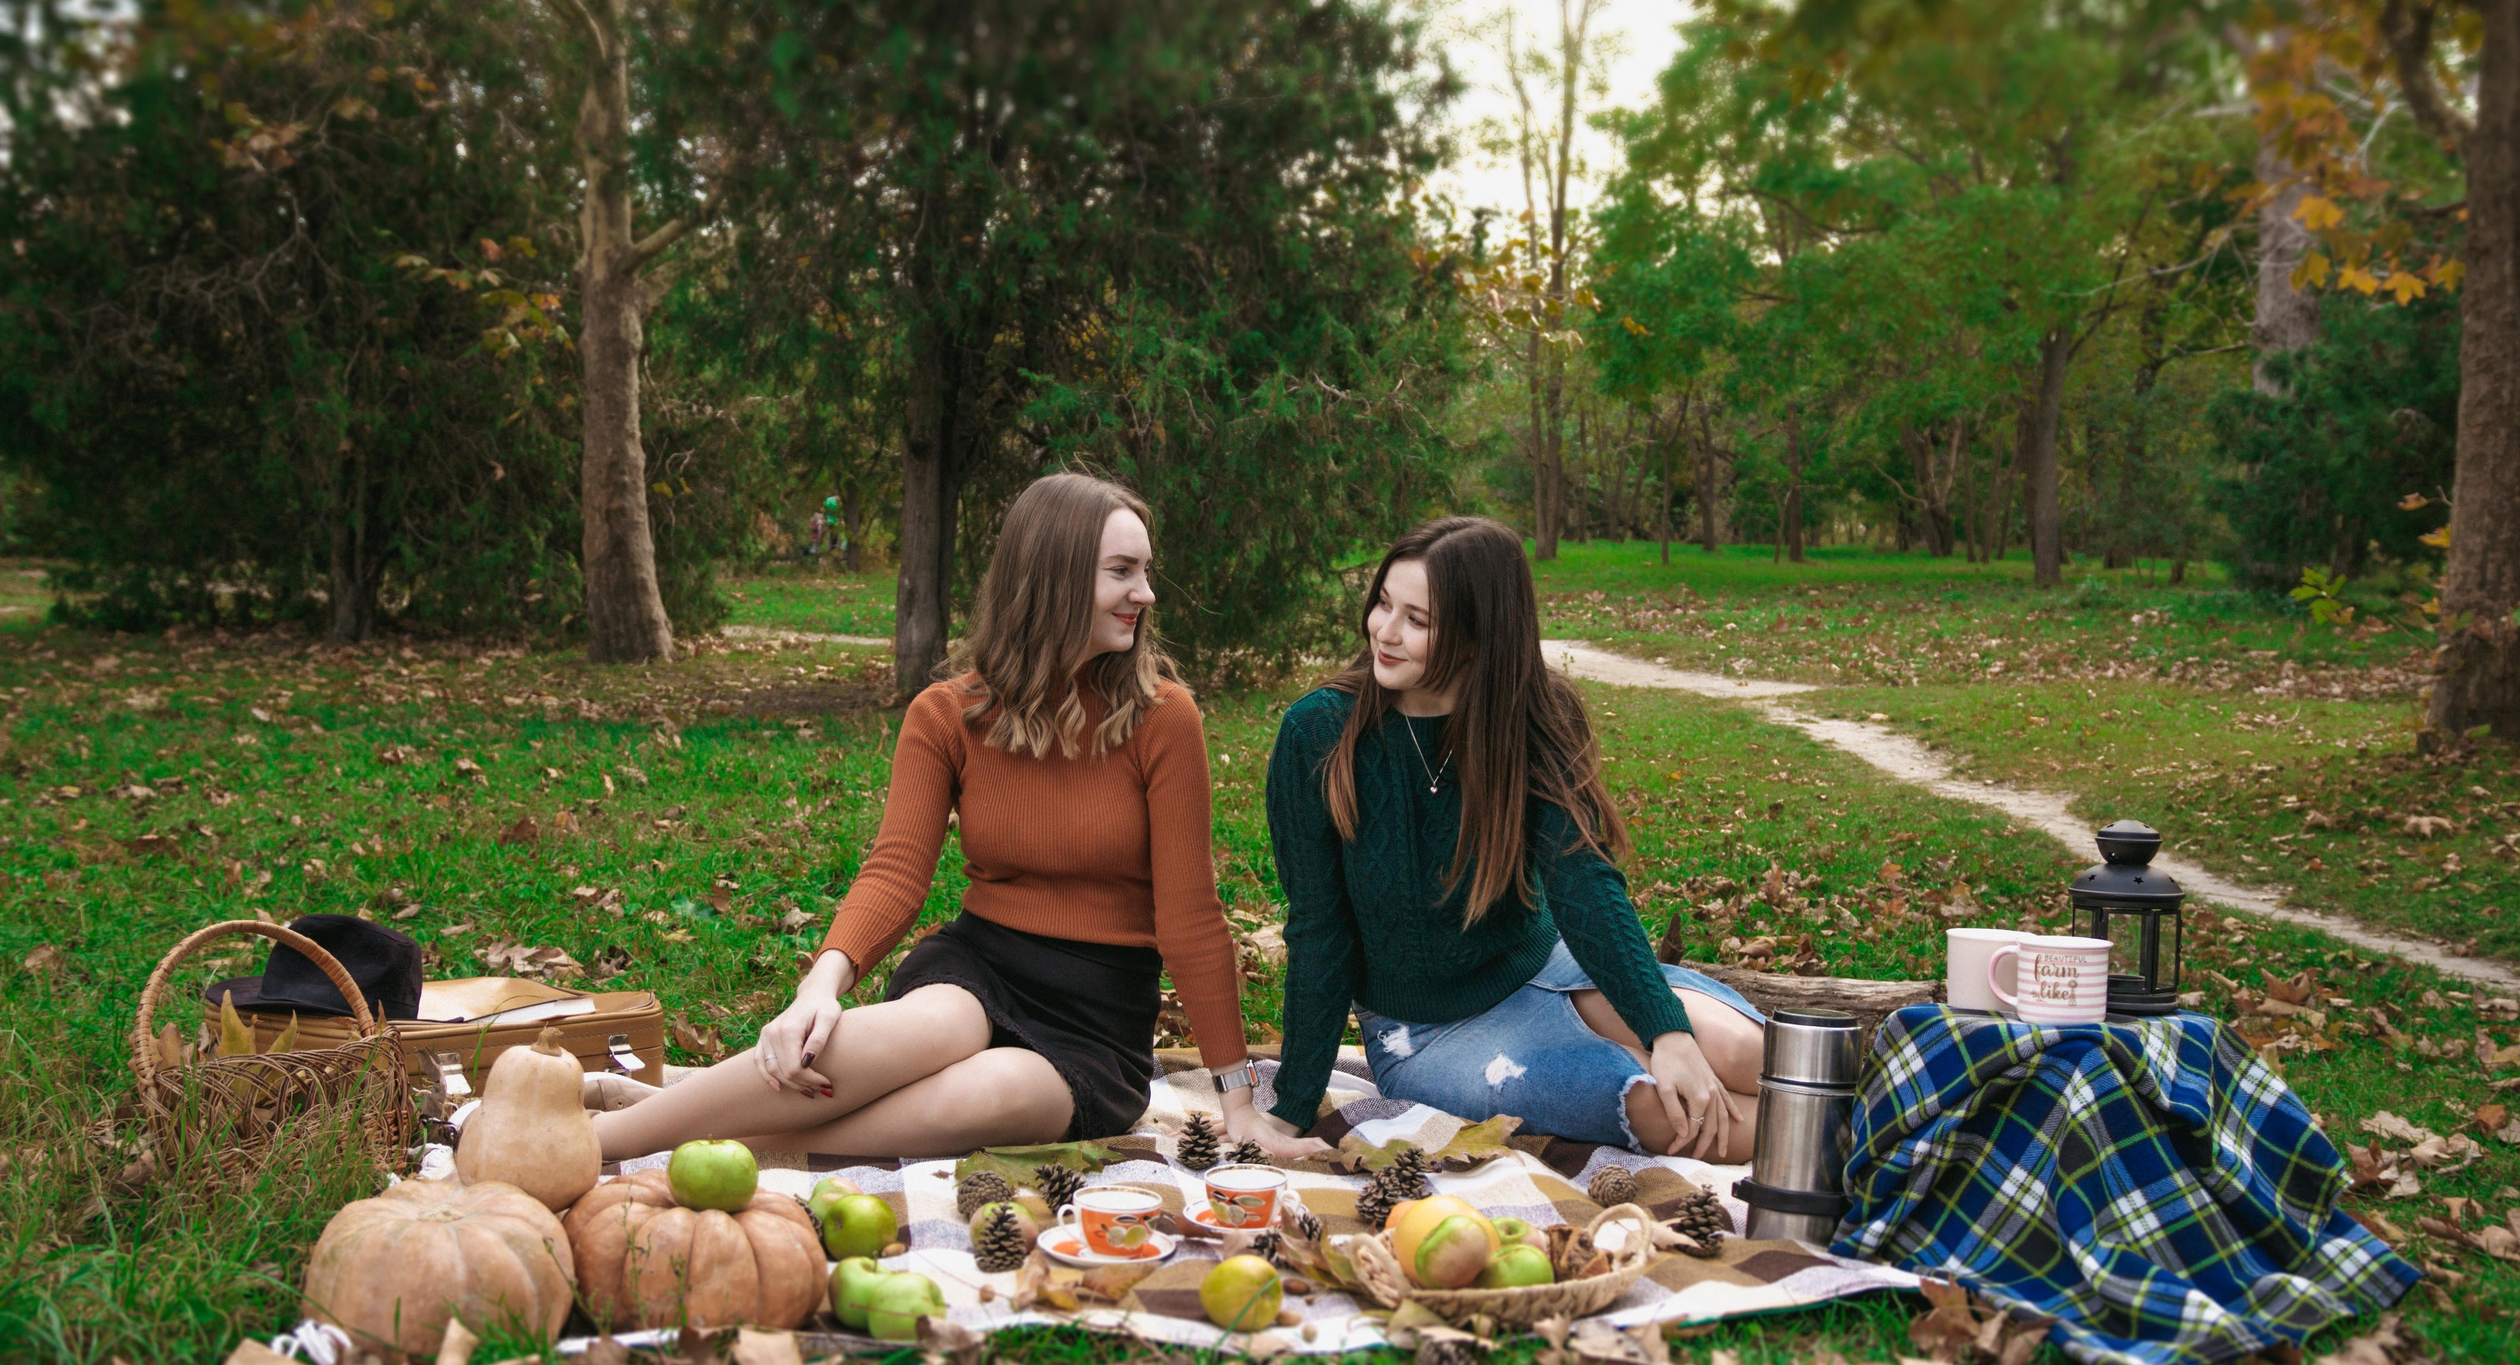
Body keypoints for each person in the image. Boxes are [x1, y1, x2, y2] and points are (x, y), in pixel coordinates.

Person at [593, 473, 1325, 1163]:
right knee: (930, 1027)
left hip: (1096, 1019)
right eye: (1123, 572)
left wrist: (1237, 1100)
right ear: (1057, 577)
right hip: (979, 965)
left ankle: (700, 1117)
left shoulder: (1164, 718)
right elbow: (897, 869)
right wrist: (820, 984)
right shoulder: (947, 714)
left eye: (1144, 569)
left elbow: (1192, 914)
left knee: (998, 1092)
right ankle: (603, 1141)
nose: (1146, 592)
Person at [1263, 516, 1764, 1160]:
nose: (1385, 632)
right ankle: (1853, 1139)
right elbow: (1318, 929)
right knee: (1657, 1107)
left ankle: (1877, 1117)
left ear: (1479, 636)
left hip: (1547, 965)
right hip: (1430, 1033)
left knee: (1741, 1054)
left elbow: (1585, 883)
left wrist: (1664, 1028)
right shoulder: (1318, 733)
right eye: (1383, 604)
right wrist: (1290, 1110)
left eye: (1417, 619)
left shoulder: (1533, 715)